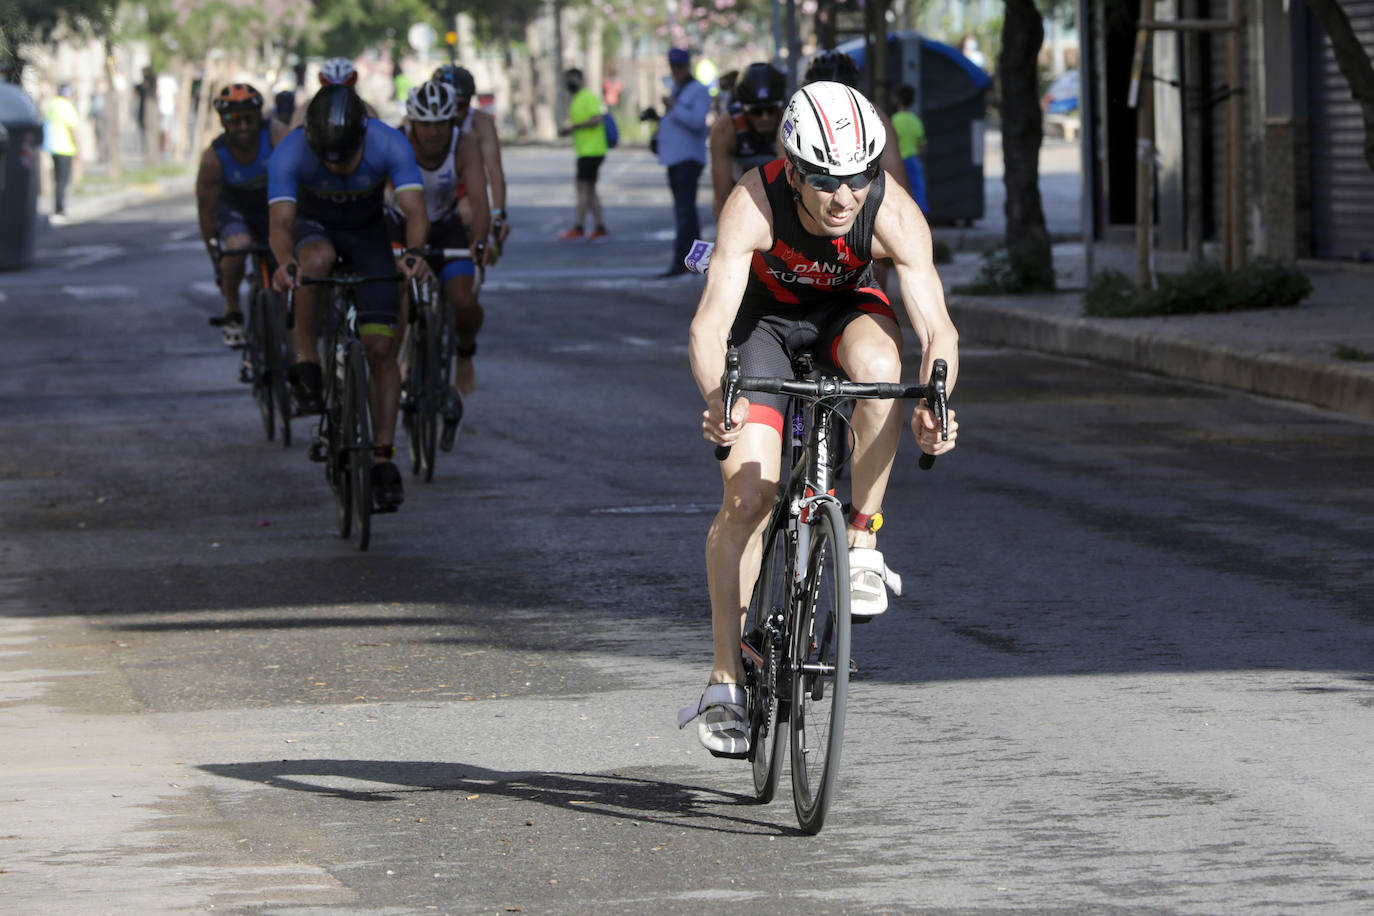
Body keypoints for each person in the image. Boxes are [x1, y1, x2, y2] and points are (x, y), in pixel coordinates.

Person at [680, 82, 960, 755]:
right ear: (795, 171)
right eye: (827, 182)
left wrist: (936, 403)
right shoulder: (754, 200)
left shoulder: (890, 210)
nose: (846, 198)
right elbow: (711, 320)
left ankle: (861, 540)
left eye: (860, 178)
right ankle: (724, 674)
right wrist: (719, 397)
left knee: (882, 374)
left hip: (847, 313)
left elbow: (937, 328)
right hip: (764, 325)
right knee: (749, 495)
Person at [268, 85, 430, 511]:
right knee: (315, 260)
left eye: (344, 154)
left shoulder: (388, 141)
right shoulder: (290, 151)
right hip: (313, 226)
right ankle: (308, 359)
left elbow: (415, 210)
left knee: (380, 350)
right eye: (326, 155)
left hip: (367, 232)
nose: (335, 164)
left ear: (362, 136)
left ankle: (383, 457)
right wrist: (286, 263)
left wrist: (414, 254)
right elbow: (281, 226)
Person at [391, 80, 491, 448]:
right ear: (412, 122)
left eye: (441, 123)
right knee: (397, 290)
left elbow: (479, 200)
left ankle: (464, 353)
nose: (434, 132)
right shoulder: (395, 143)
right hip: (400, 226)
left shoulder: (464, 146)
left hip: (445, 226)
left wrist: (480, 240)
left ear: (453, 121)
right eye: (425, 124)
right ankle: (397, 365)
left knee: (464, 301)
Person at [195, 83, 291, 347]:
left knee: (286, 273)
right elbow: (206, 212)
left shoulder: (277, 135)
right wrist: (216, 258)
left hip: (272, 204)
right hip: (234, 208)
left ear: (259, 115)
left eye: (249, 118)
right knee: (238, 246)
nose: (243, 126)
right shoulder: (214, 158)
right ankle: (233, 311)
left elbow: (300, 181)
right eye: (234, 120)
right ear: (223, 122)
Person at [433, 65, 512, 265]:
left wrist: (498, 214)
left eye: (463, 105)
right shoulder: (416, 121)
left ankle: (470, 263)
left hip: (463, 186)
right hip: (429, 184)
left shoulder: (481, 122)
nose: (457, 113)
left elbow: (495, 172)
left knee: (470, 213)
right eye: (452, 105)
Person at [655, 47, 711, 277]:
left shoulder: (698, 90)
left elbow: (697, 122)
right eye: (672, 66)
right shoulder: (678, 88)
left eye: (679, 66)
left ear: (687, 66)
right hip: (675, 158)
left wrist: (674, 107)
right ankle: (697, 262)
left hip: (688, 158)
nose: (675, 70)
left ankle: (681, 262)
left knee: (685, 213)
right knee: (686, 214)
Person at [708, 62, 784, 221]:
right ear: (743, 108)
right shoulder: (725, 128)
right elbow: (721, 197)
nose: (765, 117)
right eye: (756, 111)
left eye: (771, 110)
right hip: (739, 198)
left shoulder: (788, 121)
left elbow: (791, 185)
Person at [556, 68, 609, 241]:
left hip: (592, 151)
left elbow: (597, 119)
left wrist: (574, 127)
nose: (569, 82)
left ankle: (579, 226)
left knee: (582, 188)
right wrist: (568, 130)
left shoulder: (588, 96)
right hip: (585, 151)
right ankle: (599, 225)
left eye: (572, 78)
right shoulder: (576, 99)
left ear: (580, 78)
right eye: (567, 79)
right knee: (590, 190)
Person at [42, 84, 79, 221]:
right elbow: (72, 129)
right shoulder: (67, 107)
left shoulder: (53, 105)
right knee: (63, 180)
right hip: (65, 147)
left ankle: (57, 206)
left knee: (57, 179)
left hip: (52, 146)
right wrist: (77, 146)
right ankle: (60, 208)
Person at [890, 85, 928, 212]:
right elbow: (922, 146)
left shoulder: (893, 121)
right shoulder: (916, 121)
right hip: (913, 161)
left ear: (897, 100)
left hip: (897, 163)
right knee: (918, 194)